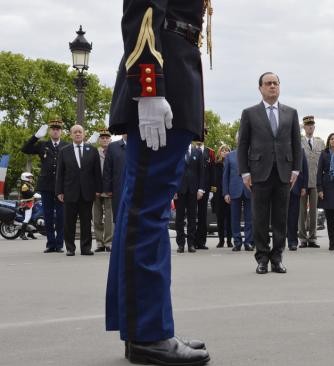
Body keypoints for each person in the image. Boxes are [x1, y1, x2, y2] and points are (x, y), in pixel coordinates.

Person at [105, 2, 211, 364]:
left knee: (141, 207)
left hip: (175, 69)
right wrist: (148, 84)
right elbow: (143, 7)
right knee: (148, 211)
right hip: (165, 72)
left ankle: (142, 327)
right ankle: (149, 333)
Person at [238, 72, 302, 274]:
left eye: (275, 83)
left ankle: (277, 257)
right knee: (260, 217)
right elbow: (243, 145)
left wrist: (296, 169)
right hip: (259, 172)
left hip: (284, 171)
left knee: (280, 218)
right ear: (260, 88)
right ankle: (262, 258)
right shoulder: (249, 113)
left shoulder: (291, 113)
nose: (272, 86)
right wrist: (244, 173)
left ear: (279, 86)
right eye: (268, 83)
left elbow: (296, 143)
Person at [21, 118, 69, 252]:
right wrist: (35, 137)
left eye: (57, 129)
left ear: (61, 132)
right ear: (49, 131)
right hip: (46, 185)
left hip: (61, 186)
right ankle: (50, 243)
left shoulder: (66, 145)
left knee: (60, 216)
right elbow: (25, 149)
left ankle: (59, 244)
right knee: (47, 215)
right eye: (53, 129)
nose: (55, 131)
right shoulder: (43, 145)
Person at [55, 124, 102, 256]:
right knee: (69, 222)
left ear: (84, 134)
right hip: (69, 192)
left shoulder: (92, 150)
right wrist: (59, 191)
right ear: (70, 135)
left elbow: (97, 172)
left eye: (80, 132)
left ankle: (86, 248)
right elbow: (60, 173)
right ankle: (70, 248)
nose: (77, 134)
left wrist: (98, 189)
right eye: (75, 132)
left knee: (86, 222)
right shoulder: (64, 151)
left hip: (87, 192)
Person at [298, 115, 325, 248]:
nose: (309, 127)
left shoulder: (320, 142)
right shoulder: (299, 140)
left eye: (311, 125)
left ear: (314, 127)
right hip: (302, 181)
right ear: (304, 127)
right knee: (302, 211)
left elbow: (324, 162)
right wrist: (300, 126)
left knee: (313, 211)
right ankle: (303, 238)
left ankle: (313, 238)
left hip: (315, 181)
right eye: (307, 125)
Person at [175, 143, 206, 253]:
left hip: (193, 189)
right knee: (179, 218)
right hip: (179, 189)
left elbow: (202, 172)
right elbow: (173, 170)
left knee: (192, 217)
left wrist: (201, 189)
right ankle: (180, 244)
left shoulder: (197, 152)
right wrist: (173, 189)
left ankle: (191, 243)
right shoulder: (177, 150)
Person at [223, 147, 253, 251]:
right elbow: (225, 175)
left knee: (249, 218)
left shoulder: (252, 153)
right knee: (234, 219)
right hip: (234, 190)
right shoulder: (229, 156)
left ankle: (248, 242)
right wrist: (226, 192)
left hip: (249, 189)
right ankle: (237, 242)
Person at [93, 129, 113, 252]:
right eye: (102, 138)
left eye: (107, 138)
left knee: (109, 218)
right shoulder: (94, 152)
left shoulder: (114, 151)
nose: (104, 140)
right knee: (96, 217)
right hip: (96, 190)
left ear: (110, 139)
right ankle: (99, 242)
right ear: (99, 140)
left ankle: (109, 242)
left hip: (109, 190)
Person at [102, 134, 127, 223]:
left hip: (136, 188)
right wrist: (107, 188)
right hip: (118, 188)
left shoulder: (140, 145)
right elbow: (107, 169)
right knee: (118, 217)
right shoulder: (113, 146)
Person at [194, 140, 214, 250]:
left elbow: (212, 172)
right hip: (192, 187)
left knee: (202, 216)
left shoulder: (210, 152)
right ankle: (191, 240)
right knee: (191, 215)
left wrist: (212, 189)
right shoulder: (191, 150)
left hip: (205, 189)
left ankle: (201, 241)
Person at [287, 149, 308, 251]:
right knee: (279, 217)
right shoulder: (278, 145)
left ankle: (292, 242)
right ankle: (279, 242)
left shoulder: (300, 151)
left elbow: (305, 169)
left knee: (293, 217)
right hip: (279, 187)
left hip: (295, 188)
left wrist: (304, 186)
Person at [213, 145, 232, 248]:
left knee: (230, 219)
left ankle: (229, 240)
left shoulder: (232, 163)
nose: (225, 152)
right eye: (223, 150)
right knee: (220, 219)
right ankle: (221, 240)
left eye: (227, 150)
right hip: (218, 195)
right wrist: (214, 192)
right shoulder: (216, 165)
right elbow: (213, 181)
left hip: (229, 194)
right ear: (219, 152)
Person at [18, 172, 36, 240]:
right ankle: (22, 234)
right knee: (27, 219)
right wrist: (35, 195)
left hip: (30, 202)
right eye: (29, 177)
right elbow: (30, 194)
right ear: (25, 178)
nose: (31, 178)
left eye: (31, 177)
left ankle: (30, 234)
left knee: (30, 218)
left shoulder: (28, 184)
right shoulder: (25, 186)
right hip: (27, 203)